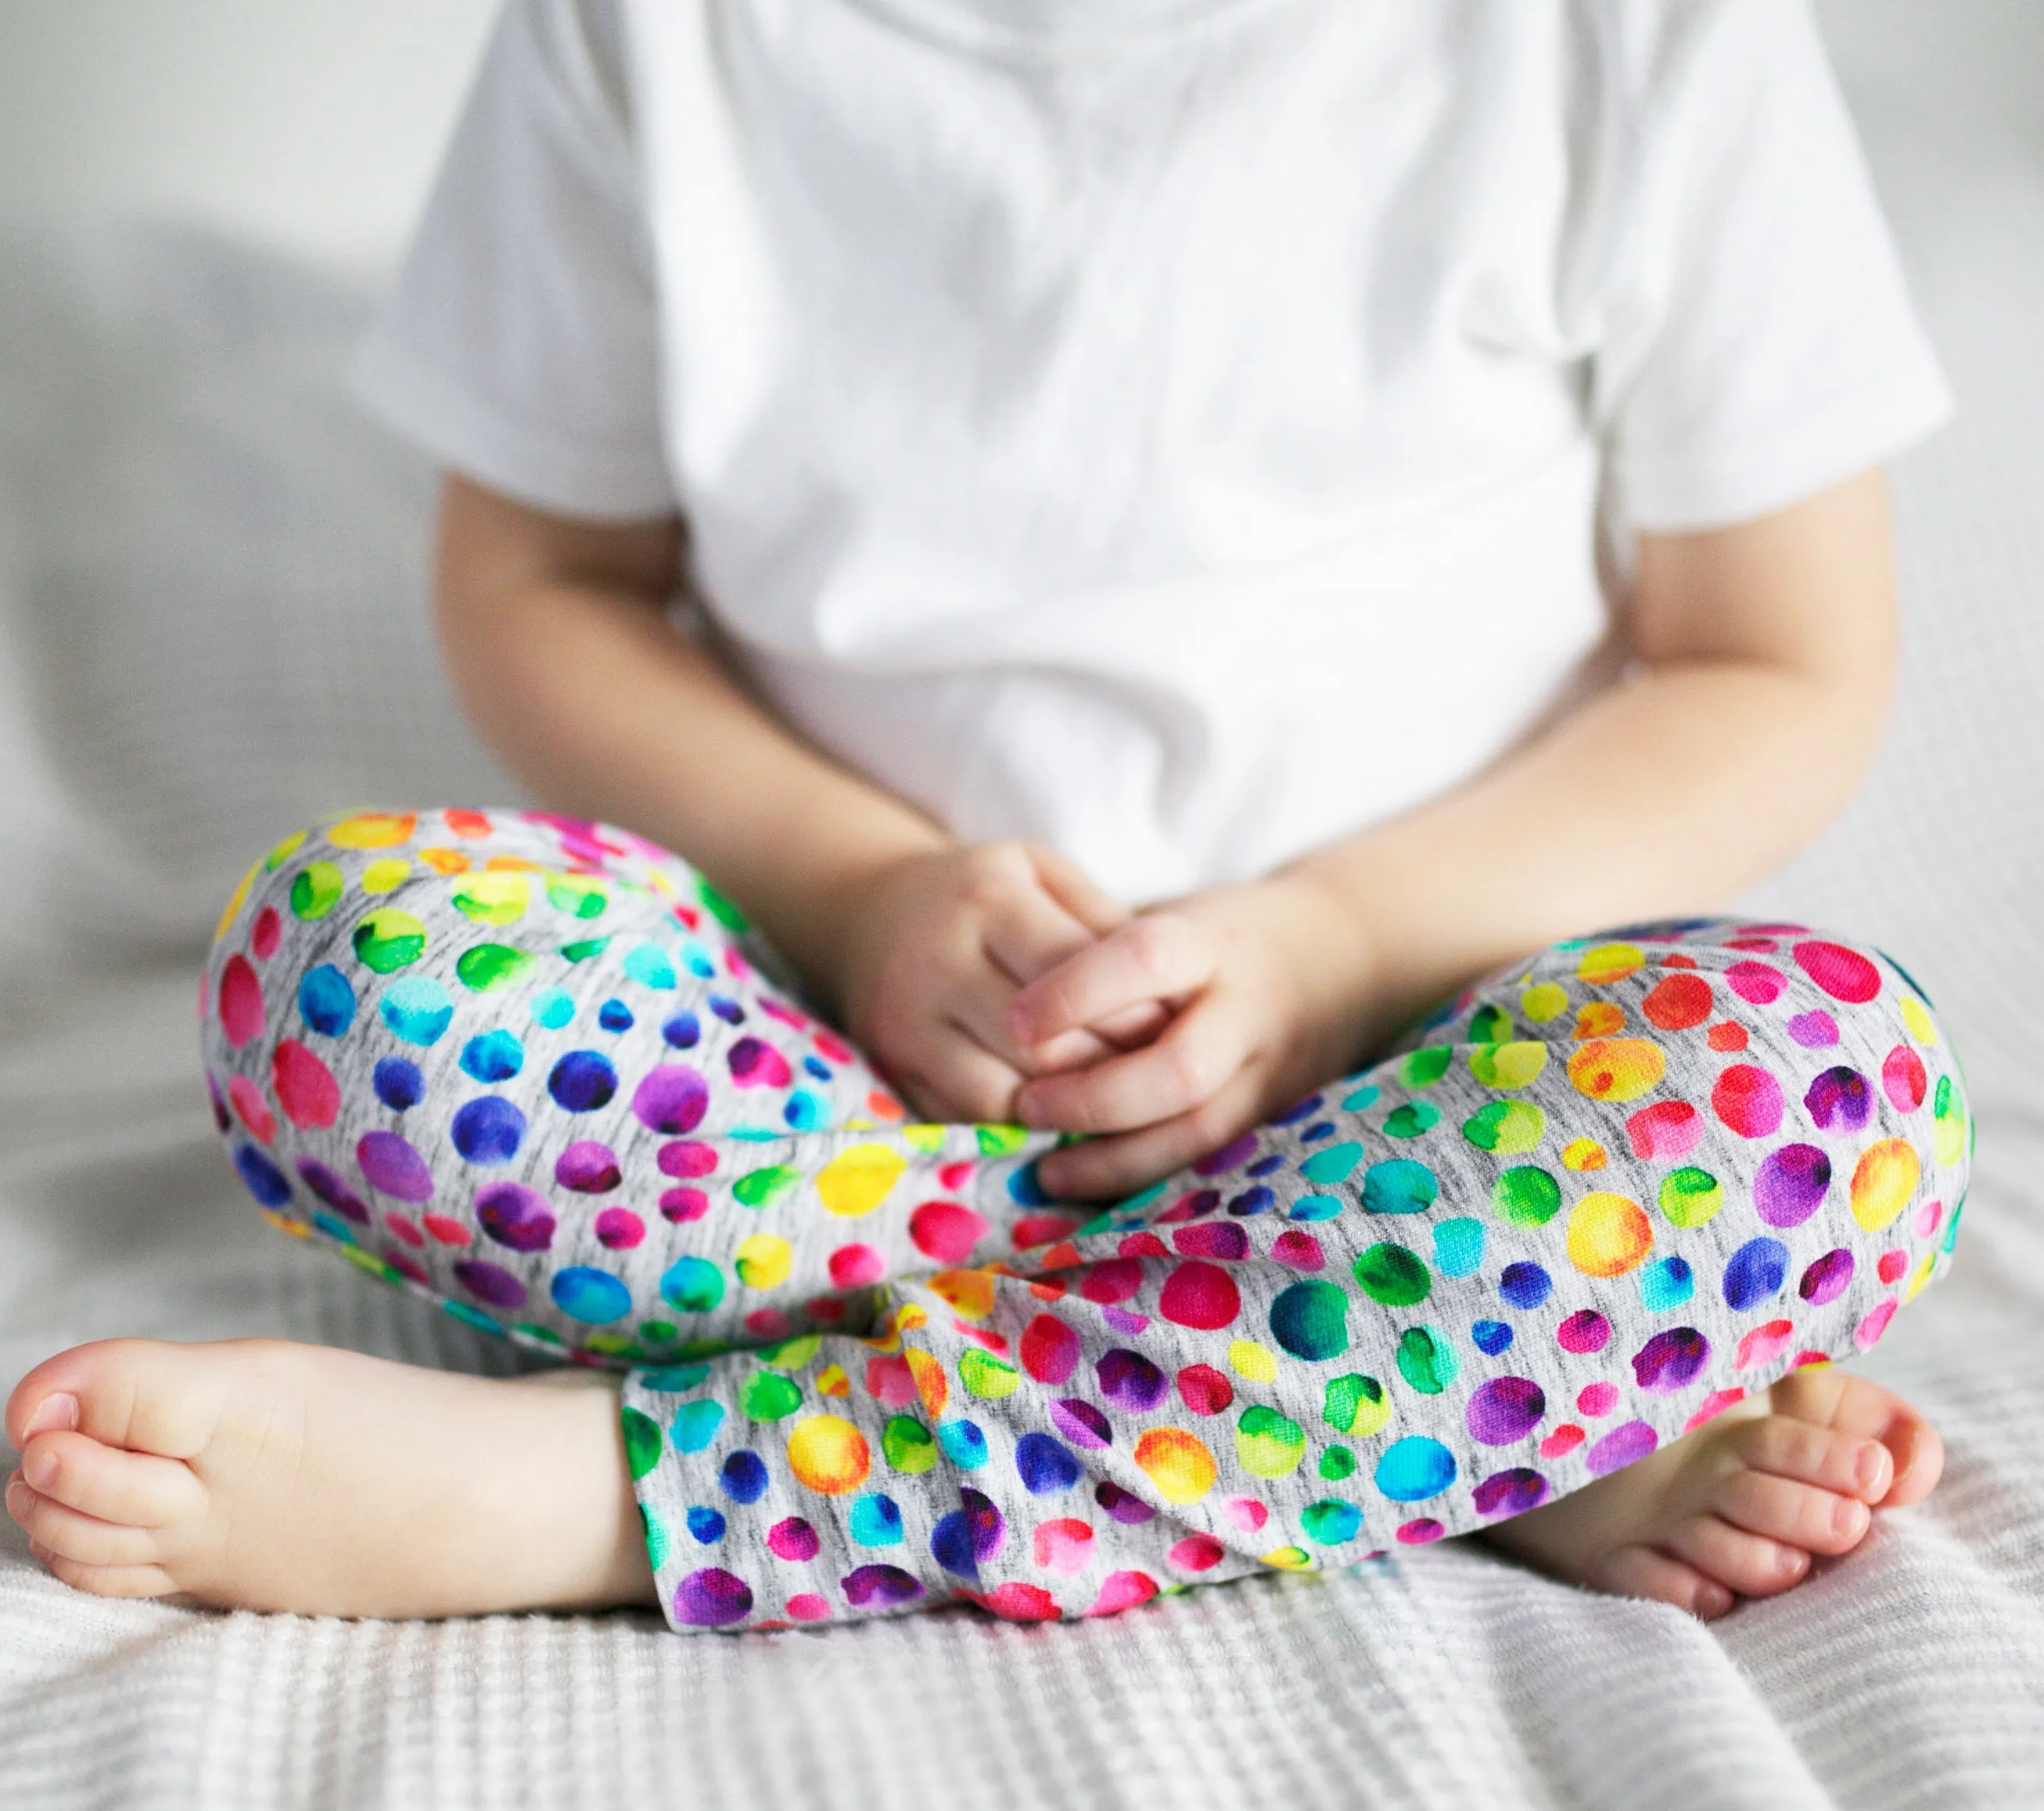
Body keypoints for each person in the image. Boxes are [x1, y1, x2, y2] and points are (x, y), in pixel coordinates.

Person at [5, 0, 1967, 1631]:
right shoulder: (643, 32)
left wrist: (1338, 942)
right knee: (343, 960)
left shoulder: (1640, 31)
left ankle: (597, 1496)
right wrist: (859, 887)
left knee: (1835, 1086)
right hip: (837, 1096)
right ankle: (1415, 1398)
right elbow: (542, 585)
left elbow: (1771, 662)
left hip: (1446, 1077)